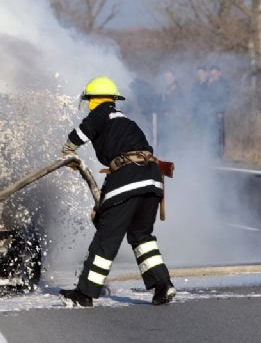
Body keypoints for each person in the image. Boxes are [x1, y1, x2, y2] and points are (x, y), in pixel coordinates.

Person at [59, 76, 176, 307]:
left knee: (106, 237)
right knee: (141, 237)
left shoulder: (101, 112)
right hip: (151, 180)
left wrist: (68, 150)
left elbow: (80, 134)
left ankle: (85, 293)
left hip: (129, 178)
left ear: (94, 100)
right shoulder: (126, 121)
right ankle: (163, 286)